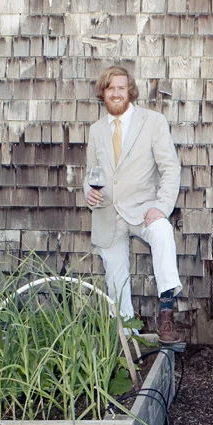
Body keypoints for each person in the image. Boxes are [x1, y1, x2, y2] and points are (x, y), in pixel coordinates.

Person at [84, 65, 184, 344]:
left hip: (143, 210)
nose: (116, 93)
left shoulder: (152, 122)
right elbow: (91, 174)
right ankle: (129, 339)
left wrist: (161, 208)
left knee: (163, 231)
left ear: (130, 91)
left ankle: (166, 313)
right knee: (116, 282)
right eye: (110, 88)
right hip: (107, 214)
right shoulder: (95, 130)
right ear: (103, 93)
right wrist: (88, 193)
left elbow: (170, 169)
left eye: (120, 87)